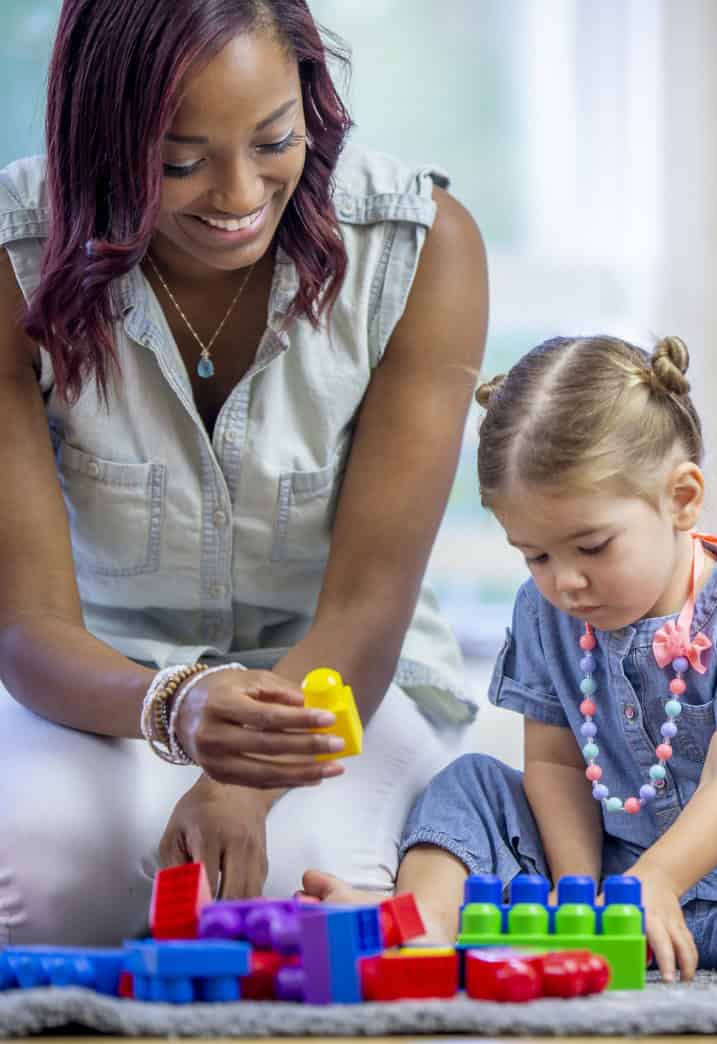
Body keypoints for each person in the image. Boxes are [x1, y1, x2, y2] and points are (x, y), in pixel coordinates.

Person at [0, 0, 487, 946]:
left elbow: (366, 612)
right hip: (106, 683)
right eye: (180, 160)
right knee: (49, 887)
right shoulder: (12, 260)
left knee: (310, 907)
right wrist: (174, 705)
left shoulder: (419, 250)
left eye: (274, 140)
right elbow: (28, 628)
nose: (237, 194)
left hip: (346, 682)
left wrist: (241, 776)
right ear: (97, 140)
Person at [304, 334, 717, 984]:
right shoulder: (544, 610)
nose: (564, 580)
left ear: (682, 499)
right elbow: (553, 764)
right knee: (472, 782)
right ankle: (419, 923)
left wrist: (656, 882)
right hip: (619, 883)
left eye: (592, 547)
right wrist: (587, 903)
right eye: (535, 555)